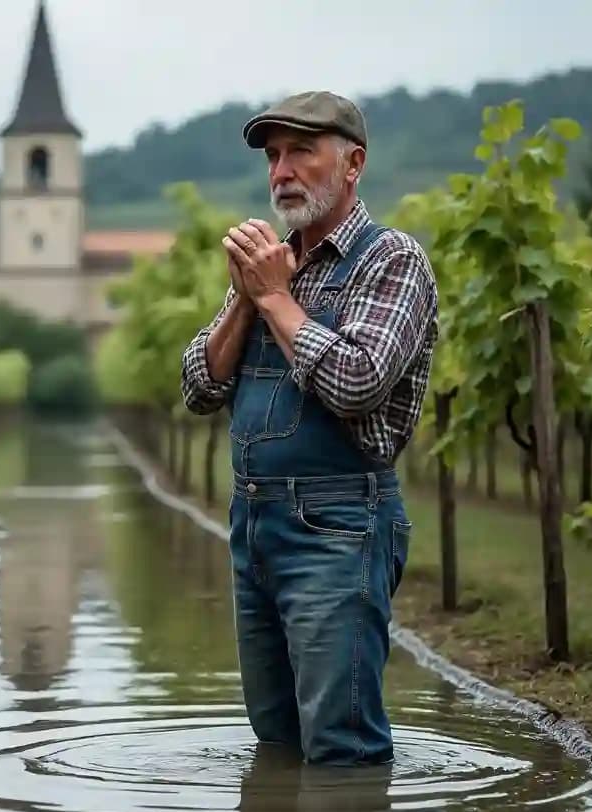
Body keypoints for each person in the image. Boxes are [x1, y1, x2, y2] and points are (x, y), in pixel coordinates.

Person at [180, 91, 438, 765]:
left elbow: (358, 383)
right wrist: (244, 296)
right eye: (273, 156)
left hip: (339, 526)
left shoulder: (393, 260)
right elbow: (199, 386)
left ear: (352, 164)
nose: (281, 172)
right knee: (275, 735)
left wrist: (274, 298)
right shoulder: (270, 268)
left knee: (340, 743)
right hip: (253, 523)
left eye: (301, 151)